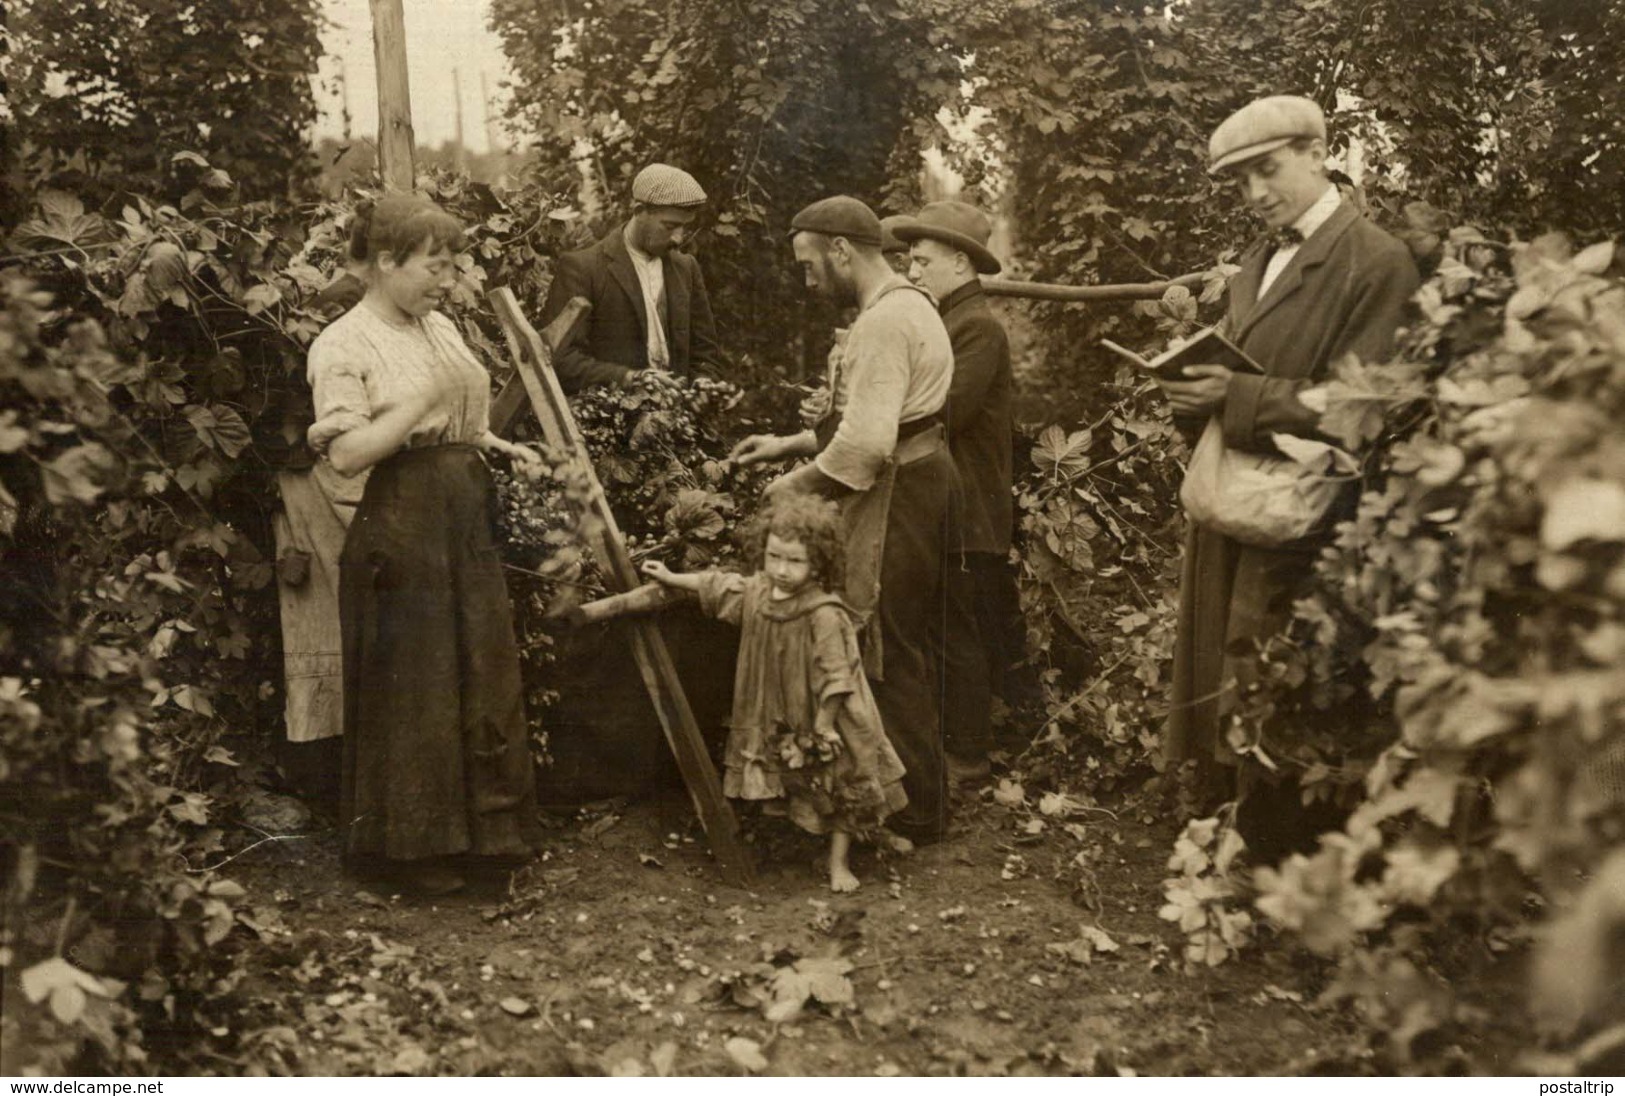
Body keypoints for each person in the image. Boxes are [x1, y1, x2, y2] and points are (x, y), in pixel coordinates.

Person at [1158, 96, 1420, 858]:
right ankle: (1238, 844)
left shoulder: (1373, 260)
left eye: (1266, 171)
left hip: (1309, 517)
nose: (1254, 194)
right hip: (1239, 497)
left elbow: (1368, 404)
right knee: (1229, 671)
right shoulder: (1256, 262)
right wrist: (1189, 391)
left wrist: (1235, 396)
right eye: (1238, 182)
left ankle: (1284, 870)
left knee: (1281, 680)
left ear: (1317, 152)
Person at [307, 194, 545, 895]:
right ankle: (413, 852)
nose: (447, 280)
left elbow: (459, 415)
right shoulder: (343, 344)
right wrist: (415, 406)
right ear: (386, 262)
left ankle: (489, 841)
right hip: (403, 527)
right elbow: (347, 454)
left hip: (461, 518)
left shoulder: (437, 325)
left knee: (482, 670)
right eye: (434, 266)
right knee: (420, 688)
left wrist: (499, 445)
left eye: (451, 266)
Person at [732, 195, 957, 846]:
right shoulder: (909, 304)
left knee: (885, 644)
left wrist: (788, 486)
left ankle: (914, 812)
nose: (807, 282)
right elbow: (879, 416)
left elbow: (864, 446)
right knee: (899, 640)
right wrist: (789, 444)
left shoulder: (883, 324)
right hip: (920, 474)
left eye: (808, 266)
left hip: (901, 492)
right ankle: (912, 799)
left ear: (841, 251)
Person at [641, 494, 907, 892]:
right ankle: (818, 841)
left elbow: (838, 677)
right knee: (799, 780)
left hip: (826, 714)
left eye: (795, 561)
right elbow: (719, 585)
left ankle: (840, 863)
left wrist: (824, 726)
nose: (782, 570)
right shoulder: (760, 594)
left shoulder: (823, 613)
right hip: (782, 711)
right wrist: (672, 577)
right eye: (774, 557)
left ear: (818, 562)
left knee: (843, 781)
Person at [894, 201, 1021, 784]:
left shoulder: (978, 327)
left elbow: (947, 410)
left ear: (962, 264)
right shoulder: (947, 321)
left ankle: (968, 755)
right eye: (909, 262)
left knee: (955, 630)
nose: (912, 273)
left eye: (923, 262)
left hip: (968, 505)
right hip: (946, 499)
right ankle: (954, 744)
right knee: (943, 626)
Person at [539, 163, 727, 394]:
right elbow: (560, 360)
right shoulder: (583, 268)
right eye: (670, 226)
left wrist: (704, 383)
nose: (678, 239)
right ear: (639, 211)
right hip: (610, 420)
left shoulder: (686, 268)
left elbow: (705, 354)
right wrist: (630, 378)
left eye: (684, 228)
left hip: (678, 418)